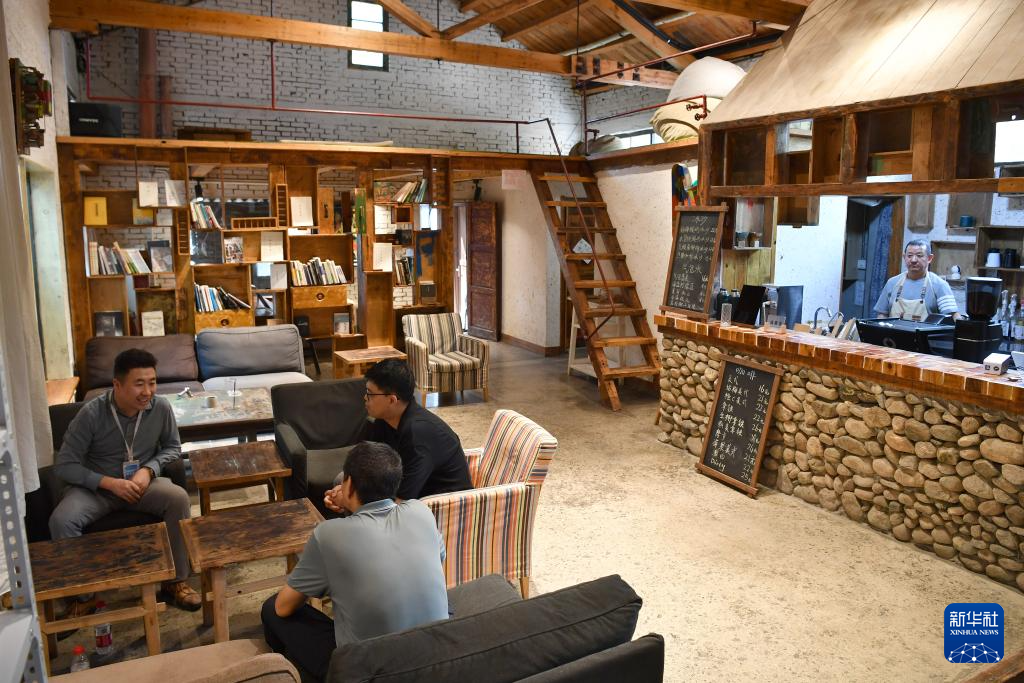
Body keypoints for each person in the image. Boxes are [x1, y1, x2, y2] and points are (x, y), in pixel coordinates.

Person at [262, 442, 449, 682]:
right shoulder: (421, 512)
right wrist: (350, 505)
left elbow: (284, 607)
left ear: (348, 484)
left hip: (369, 671)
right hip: (436, 657)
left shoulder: (328, 535)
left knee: (272, 609)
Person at [49, 348, 201, 613]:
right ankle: (82, 598)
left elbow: (172, 447)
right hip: (97, 490)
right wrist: (108, 483)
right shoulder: (91, 414)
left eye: (152, 382)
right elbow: (65, 465)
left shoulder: (161, 407)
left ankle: (175, 581)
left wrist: (149, 470)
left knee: (177, 498)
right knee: (62, 521)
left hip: (142, 486)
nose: (147, 391)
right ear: (117, 385)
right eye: (139, 384)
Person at [327, 359, 470, 507]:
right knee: (342, 481)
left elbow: (401, 501)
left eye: (370, 393)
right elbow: (367, 465)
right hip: (404, 491)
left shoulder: (418, 433)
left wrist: (348, 500)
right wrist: (343, 491)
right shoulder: (384, 420)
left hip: (440, 506)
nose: (365, 397)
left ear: (392, 400)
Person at [874, 239, 959, 321]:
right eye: (909, 256)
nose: (913, 260)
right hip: (893, 331)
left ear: (929, 258)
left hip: (925, 331)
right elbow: (882, 315)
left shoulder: (939, 285)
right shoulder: (892, 283)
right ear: (904, 257)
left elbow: (953, 316)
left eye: (919, 255)